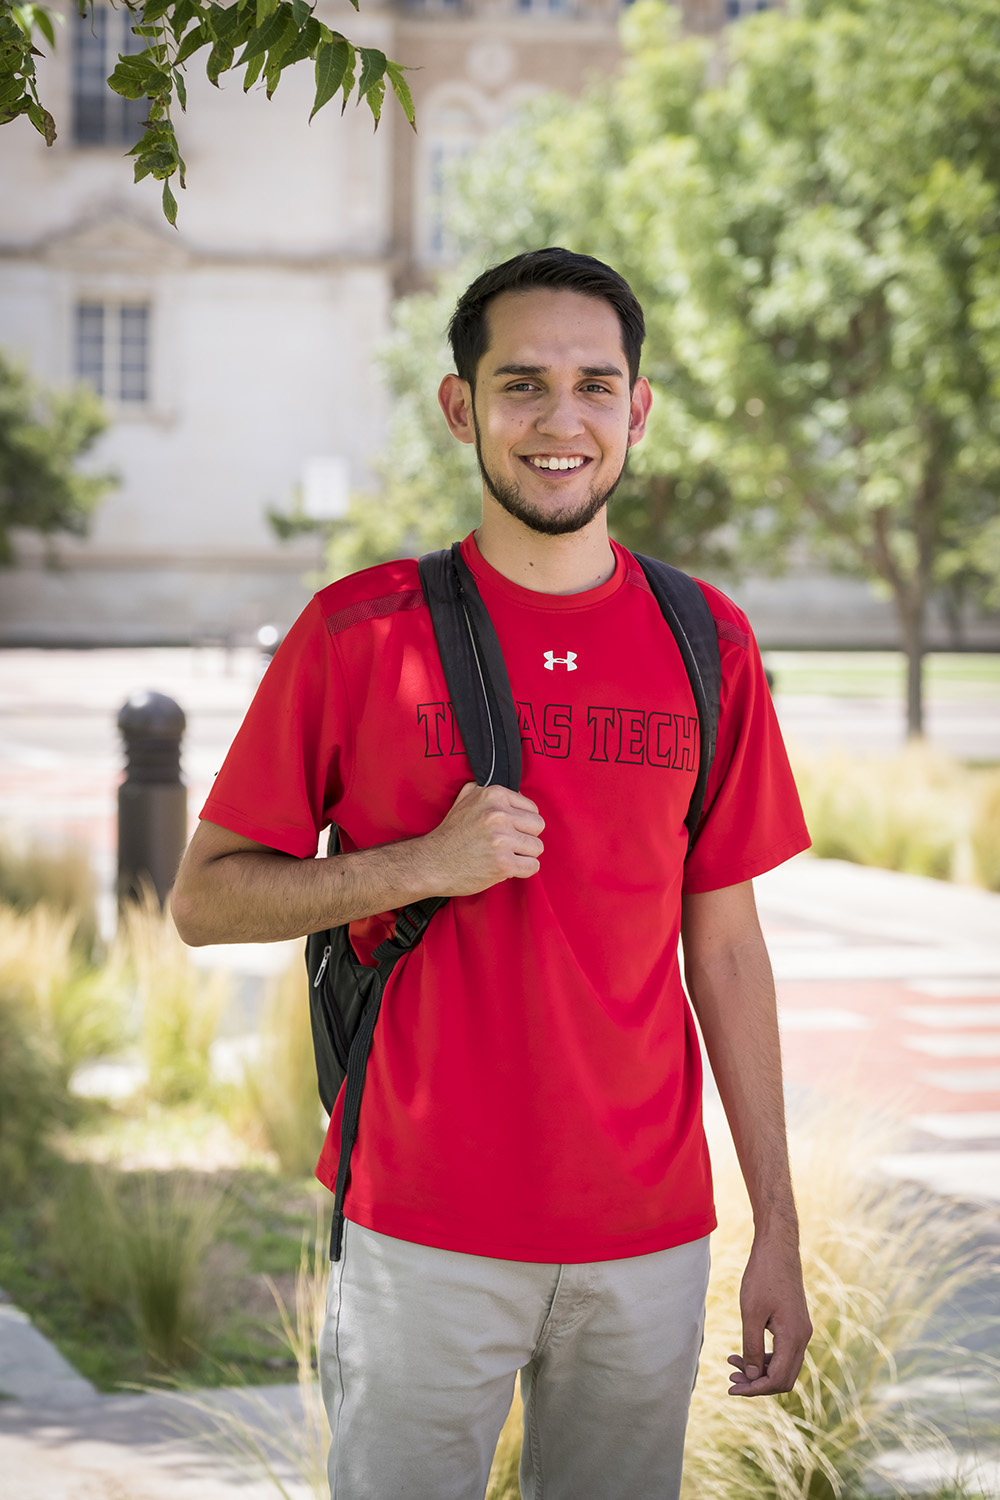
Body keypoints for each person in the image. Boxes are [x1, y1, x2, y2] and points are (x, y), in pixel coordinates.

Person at [171, 247, 813, 1500]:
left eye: (593, 384)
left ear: (638, 408)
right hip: (422, 1226)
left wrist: (776, 1225)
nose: (559, 420)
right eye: (521, 384)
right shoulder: (361, 634)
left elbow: (725, 948)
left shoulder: (707, 642)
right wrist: (419, 865)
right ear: (461, 407)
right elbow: (205, 897)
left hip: (649, 1235)